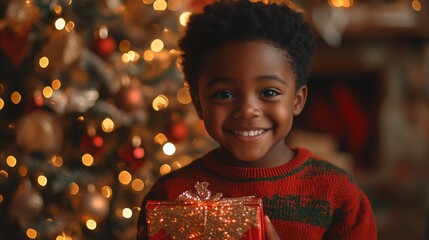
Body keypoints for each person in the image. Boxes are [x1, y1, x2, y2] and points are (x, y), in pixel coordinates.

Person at [137, 0, 377, 239]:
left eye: (269, 92)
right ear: (199, 104)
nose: (247, 109)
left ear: (297, 100)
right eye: (224, 94)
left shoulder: (340, 197)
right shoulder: (170, 195)